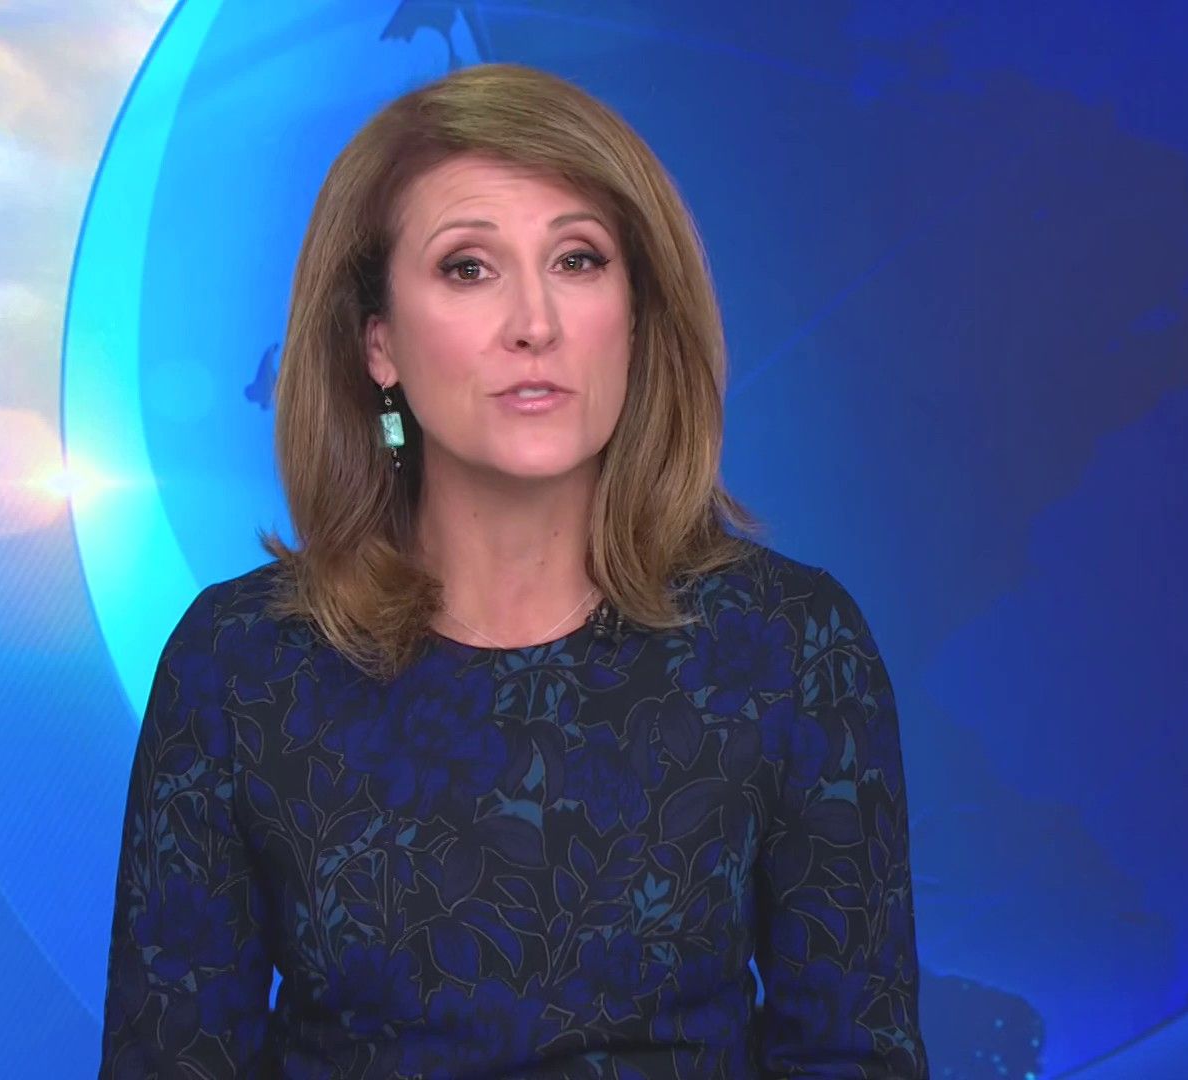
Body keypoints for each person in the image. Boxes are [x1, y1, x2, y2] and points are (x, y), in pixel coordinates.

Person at [99, 62, 928, 1079]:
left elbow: (854, 1057)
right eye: (468, 268)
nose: (535, 322)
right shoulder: (239, 666)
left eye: (577, 259)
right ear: (378, 344)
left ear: (636, 315)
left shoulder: (791, 647)